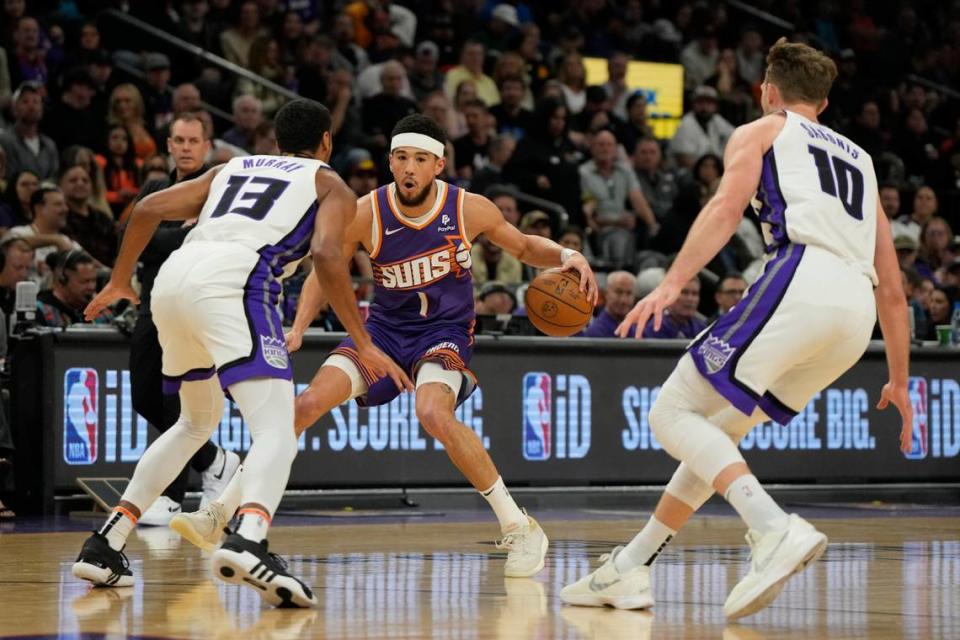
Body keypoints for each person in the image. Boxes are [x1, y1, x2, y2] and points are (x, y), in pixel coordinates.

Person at [560, 38, 912, 620]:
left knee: (670, 413)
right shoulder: (865, 163)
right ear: (822, 102)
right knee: (719, 433)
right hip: (857, 314)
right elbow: (894, 289)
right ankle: (630, 569)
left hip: (803, 277)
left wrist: (672, 283)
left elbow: (727, 206)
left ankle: (773, 528)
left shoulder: (762, 130)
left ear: (768, 91)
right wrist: (899, 379)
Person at [175, 114, 598, 578]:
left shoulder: (467, 208)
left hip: (444, 332)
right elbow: (325, 265)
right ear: (390, 162)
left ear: (438, 164)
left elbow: (521, 246)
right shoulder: (364, 211)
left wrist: (565, 255)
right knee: (304, 406)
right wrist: (297, 328)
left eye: (420, 159)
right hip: (382, 333)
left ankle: (519, 525)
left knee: (433, 413)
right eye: (401, 158)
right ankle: (219, 512)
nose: (409, 168)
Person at [73, 99, 409, 607]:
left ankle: (106, 544)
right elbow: (324, 254)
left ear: (275, 141)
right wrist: (364, 342)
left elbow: (145, 209)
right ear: (326, 142)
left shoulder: (231, 168)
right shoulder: (330, 184)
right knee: (276, 428)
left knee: (193, 423)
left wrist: (121, 280)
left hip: (173, 281)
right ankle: (249, 538)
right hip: (236, 284)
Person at [126, 113, 240, 527]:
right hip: (151, 304)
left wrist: (166, 237)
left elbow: (201, 244)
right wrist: (179, 234)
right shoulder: (156, 188)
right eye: (179, 140)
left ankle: (171, 497)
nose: (187, 147)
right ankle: (216, 460)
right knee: (144, 397)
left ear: (207, 145)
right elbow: (140, 242)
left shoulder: (221, 191)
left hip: (194, 306)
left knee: (180, 401)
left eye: (194, 140)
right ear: (169, 145)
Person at [36, 250, 114, 327]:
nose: (92, 287)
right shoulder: (40, 311)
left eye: (93, 280)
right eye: (84, 282)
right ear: (62, 280)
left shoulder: (98, 309)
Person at [582, 271, 636, 338]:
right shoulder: (596, 331)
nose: (623, 300)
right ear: (606, 294)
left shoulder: (637, 329)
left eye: (629, 293)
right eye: (618, 292)